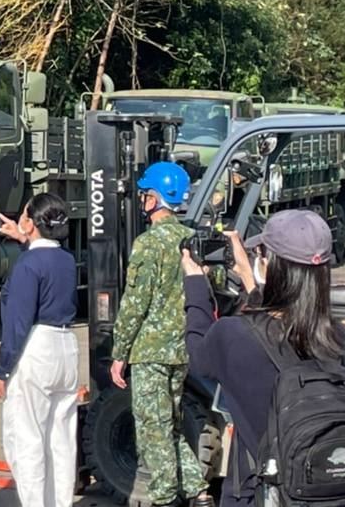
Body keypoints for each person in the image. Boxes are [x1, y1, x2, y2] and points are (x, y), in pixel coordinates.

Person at [182, 210, 345, 507]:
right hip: (316, 492)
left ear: (271, 267)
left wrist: (195, 286)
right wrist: (248, 275)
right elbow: (279, 329)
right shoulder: (336, 337)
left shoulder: (232, 335)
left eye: (261, 253)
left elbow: (197, 356)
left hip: (256, 493)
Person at [111, 161, 210, 507]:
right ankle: (198, 491)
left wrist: (119, 351)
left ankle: (164, 499)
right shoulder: (190, 239)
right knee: (171, 427)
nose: (141, 201)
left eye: (144, 195)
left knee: (153, 431)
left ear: (153, 199)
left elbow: (135, 302)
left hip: (150, 353)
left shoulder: (148, 243)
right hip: (181, 350)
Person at [0, 195, 79, 507]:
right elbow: (45, 260)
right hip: (66, 348)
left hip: (36, 348)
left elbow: (18, 323)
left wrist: (2, 369)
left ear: (31, 223)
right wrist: (24, 238)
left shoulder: (28, 264)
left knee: (26, 438)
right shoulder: (66, 261)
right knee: (61, 439)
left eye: (24, 216)